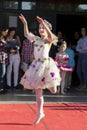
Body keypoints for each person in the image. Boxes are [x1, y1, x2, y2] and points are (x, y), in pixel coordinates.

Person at [19, 14, 61, 124]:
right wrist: (25, 23)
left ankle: (51, 85)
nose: (41, 29)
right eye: (40, 28)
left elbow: (51, 36)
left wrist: (44, 24)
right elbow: (26, 34)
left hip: (47, 66)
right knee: (38, 91)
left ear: (47, 30)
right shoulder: (36, 39)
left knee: (53, 91)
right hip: (36, 66)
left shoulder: (48, 40)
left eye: (43, 28)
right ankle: (40, 112)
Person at [0, 27, 8, 94]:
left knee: (3, 73)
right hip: (1, 57)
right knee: (2, 73)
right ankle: (1, 88)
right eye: (5, 31)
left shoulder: (5, 39)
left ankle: (2, 88)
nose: (6, 33)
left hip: (4, 58)